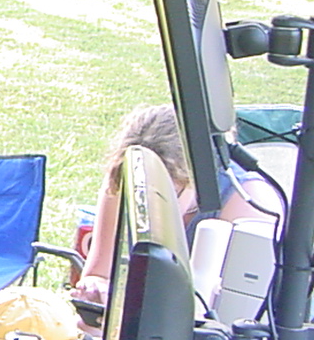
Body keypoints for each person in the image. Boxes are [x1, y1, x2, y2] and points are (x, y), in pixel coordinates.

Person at [70, 104, 278, 305]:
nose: (146, 209)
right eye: (136, 196)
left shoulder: (247, 203)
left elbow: (238, 309)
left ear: (195, 180)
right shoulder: (124, 177)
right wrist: (96, 291)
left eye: (159, 196)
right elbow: (100, 273)